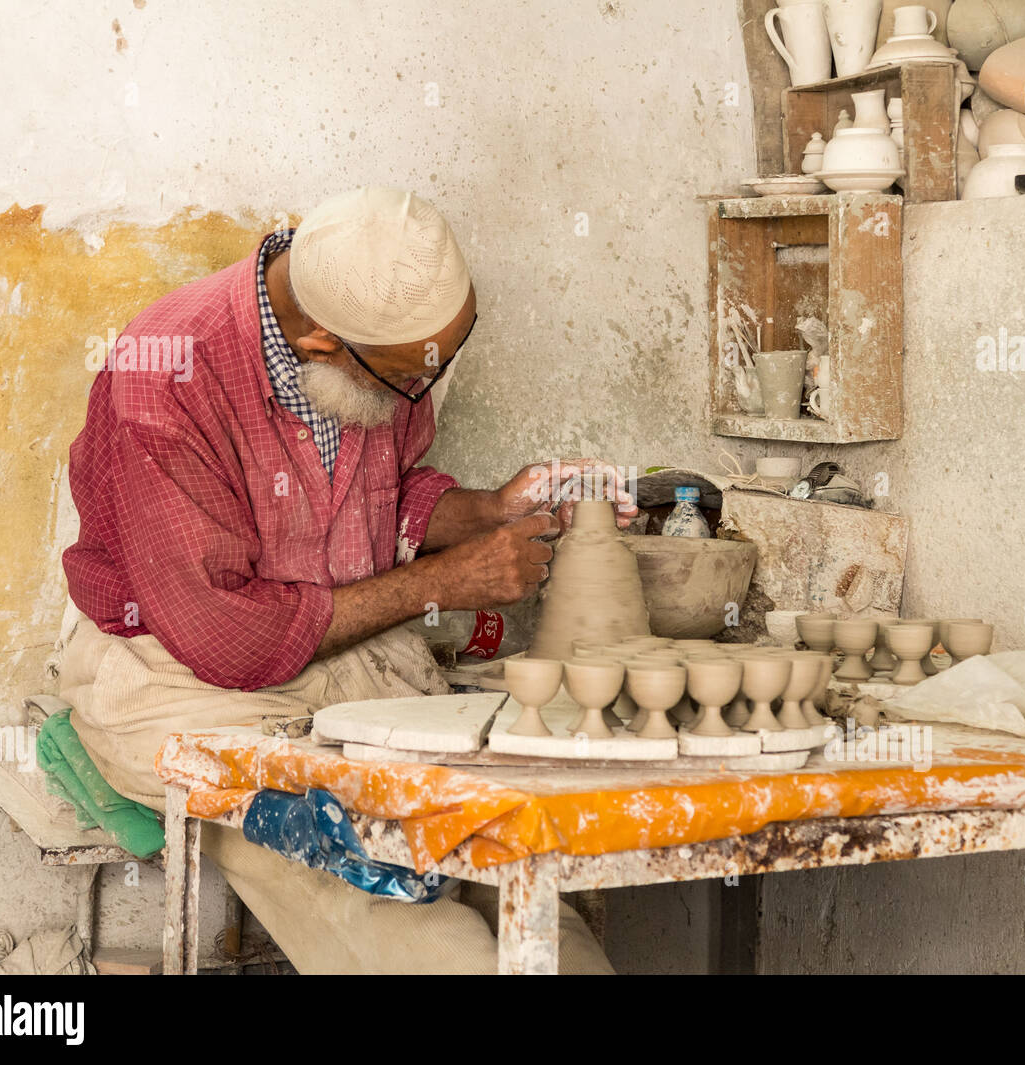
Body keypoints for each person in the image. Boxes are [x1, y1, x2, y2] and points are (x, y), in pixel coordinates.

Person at [58, 186, 631, 973]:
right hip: (187, 684)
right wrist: (446, 582)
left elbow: (383, 503)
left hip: (346, 666)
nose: (425, 388)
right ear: (325, 342)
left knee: (504, 873)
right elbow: (228, 637)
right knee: (378, 895)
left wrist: (491, 510)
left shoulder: (373, 338)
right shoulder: (165, 373)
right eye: (409, 378)